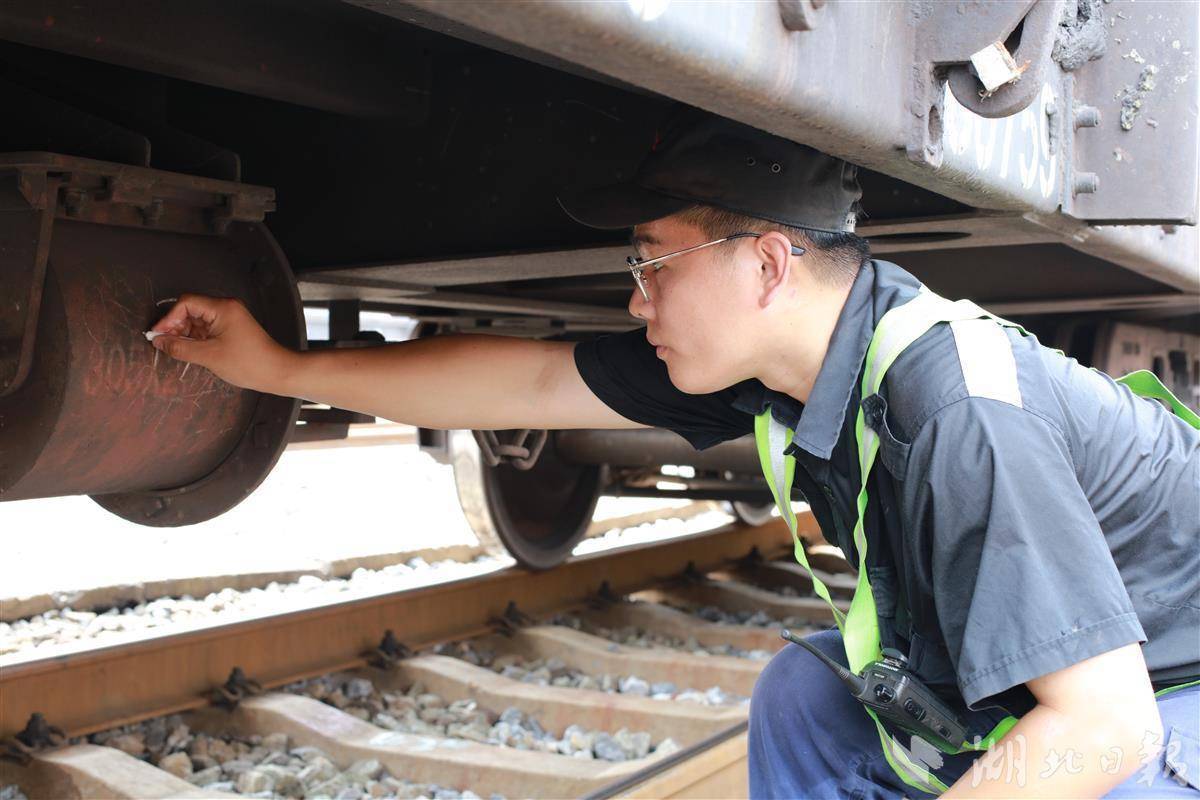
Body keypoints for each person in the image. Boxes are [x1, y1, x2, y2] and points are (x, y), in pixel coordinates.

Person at [149, 109, 1199, 798]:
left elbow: (1105, 722)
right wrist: (277, 367)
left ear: (769, 265)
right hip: (1085, 676)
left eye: (655, 263)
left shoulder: (958, 413)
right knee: (804, 695)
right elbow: (529, 382)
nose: (634, 295)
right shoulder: (785, 356)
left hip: (1165, 694)